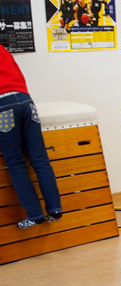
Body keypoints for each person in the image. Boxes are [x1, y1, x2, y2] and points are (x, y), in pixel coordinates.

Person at [0, 45, 63, 229]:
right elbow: (19, 75)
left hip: (3, 107)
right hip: (26, 102)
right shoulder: (2, 48)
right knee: (40, 159)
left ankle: (35, 215)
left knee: (16, 164)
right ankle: (55, 209)